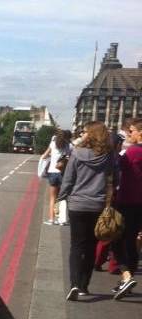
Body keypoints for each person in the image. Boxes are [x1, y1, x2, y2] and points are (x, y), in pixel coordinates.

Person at [59, 121, 118, 301]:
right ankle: (84, 285)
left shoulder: (76, 154)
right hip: (97, 205)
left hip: (77, 204)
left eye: (85, 132)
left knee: (77, 245)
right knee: (92, 245)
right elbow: (115, 178)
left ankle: (74, 284)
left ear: (90, 134)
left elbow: (68, 179)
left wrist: (61, 197)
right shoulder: (108, 156)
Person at [111, 118, 141, 299]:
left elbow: (115, 166)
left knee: (117, 240)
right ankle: (125, 281)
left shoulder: (133, 152)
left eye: (132, 131)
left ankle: (126, 275)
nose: (129, 134)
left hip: (127, 201)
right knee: (132, 242)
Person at [40, 129, 73, 225]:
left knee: (52, 197)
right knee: (63, 197)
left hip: (52, 172)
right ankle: (62, 220)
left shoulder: (53, 144)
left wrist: (51, 156)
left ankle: (51, 219)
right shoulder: (69, 146)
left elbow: (44, 156)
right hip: (63, 173)